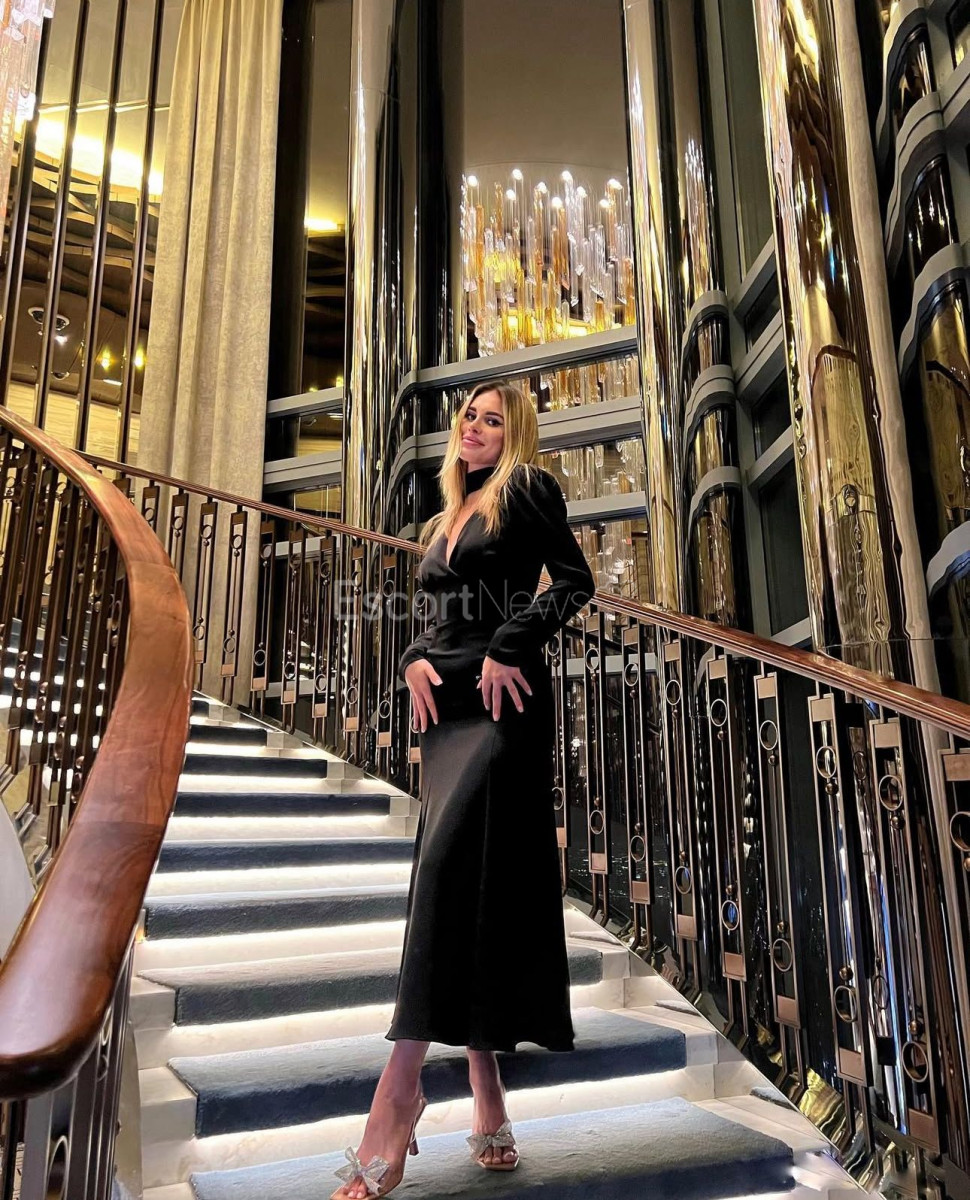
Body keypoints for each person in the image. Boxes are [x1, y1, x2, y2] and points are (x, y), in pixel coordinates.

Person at [331, 381, 597, 1199]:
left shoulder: (527, 489)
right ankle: (486, 1092)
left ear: (514, 434)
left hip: (500, 702)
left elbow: (573, 581)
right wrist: (414, 655)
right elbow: (438, 612)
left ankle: (397, 1094)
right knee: (459, 886)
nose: (474, 427)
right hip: (443, 710)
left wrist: (512, 643)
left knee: (448, 874)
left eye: (492, 419)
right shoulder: (444, 514)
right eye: (469, 416)